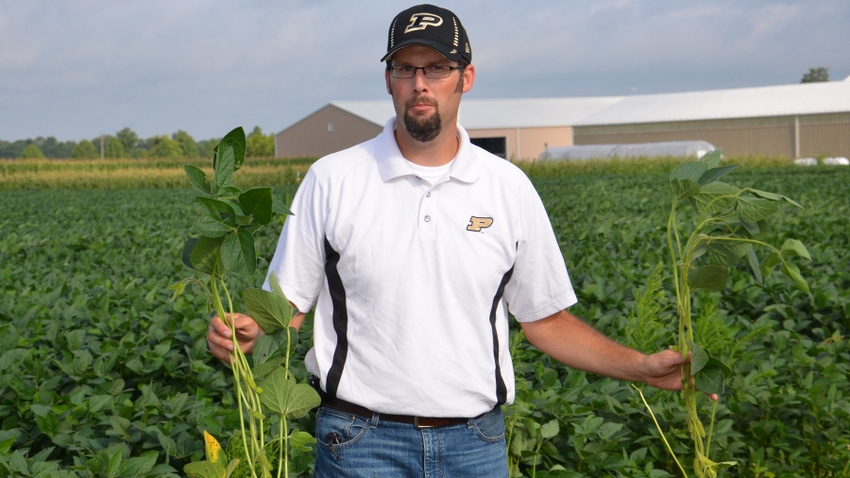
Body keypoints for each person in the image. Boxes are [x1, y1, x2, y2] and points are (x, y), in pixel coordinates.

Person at [207, 4, 694, 477]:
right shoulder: (332, 179)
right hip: (358, 443)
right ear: (388, 80)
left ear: (466, 77)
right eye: (405, 68)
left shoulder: (507, 188)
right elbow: (284, 309)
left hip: (475, 446)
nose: (420, 84)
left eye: (437, 67)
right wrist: (247, 332)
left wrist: (642, 367)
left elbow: (545, 321)